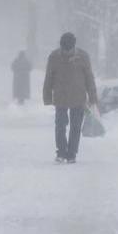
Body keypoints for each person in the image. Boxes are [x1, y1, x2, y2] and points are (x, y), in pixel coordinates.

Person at [43, 32, 97, 164]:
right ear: (61, 46)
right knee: (60, 125)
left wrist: (92, 97)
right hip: (60, 96)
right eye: (64, 50)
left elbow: (89, 77)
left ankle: (72, 153)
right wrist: (47, 96)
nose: (67, 52)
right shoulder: (54, 56)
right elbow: (48, 77)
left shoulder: (83, 57)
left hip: (78, 97)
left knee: (75, 126)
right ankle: (61, 152)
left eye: (69, 50)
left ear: (74, 46)